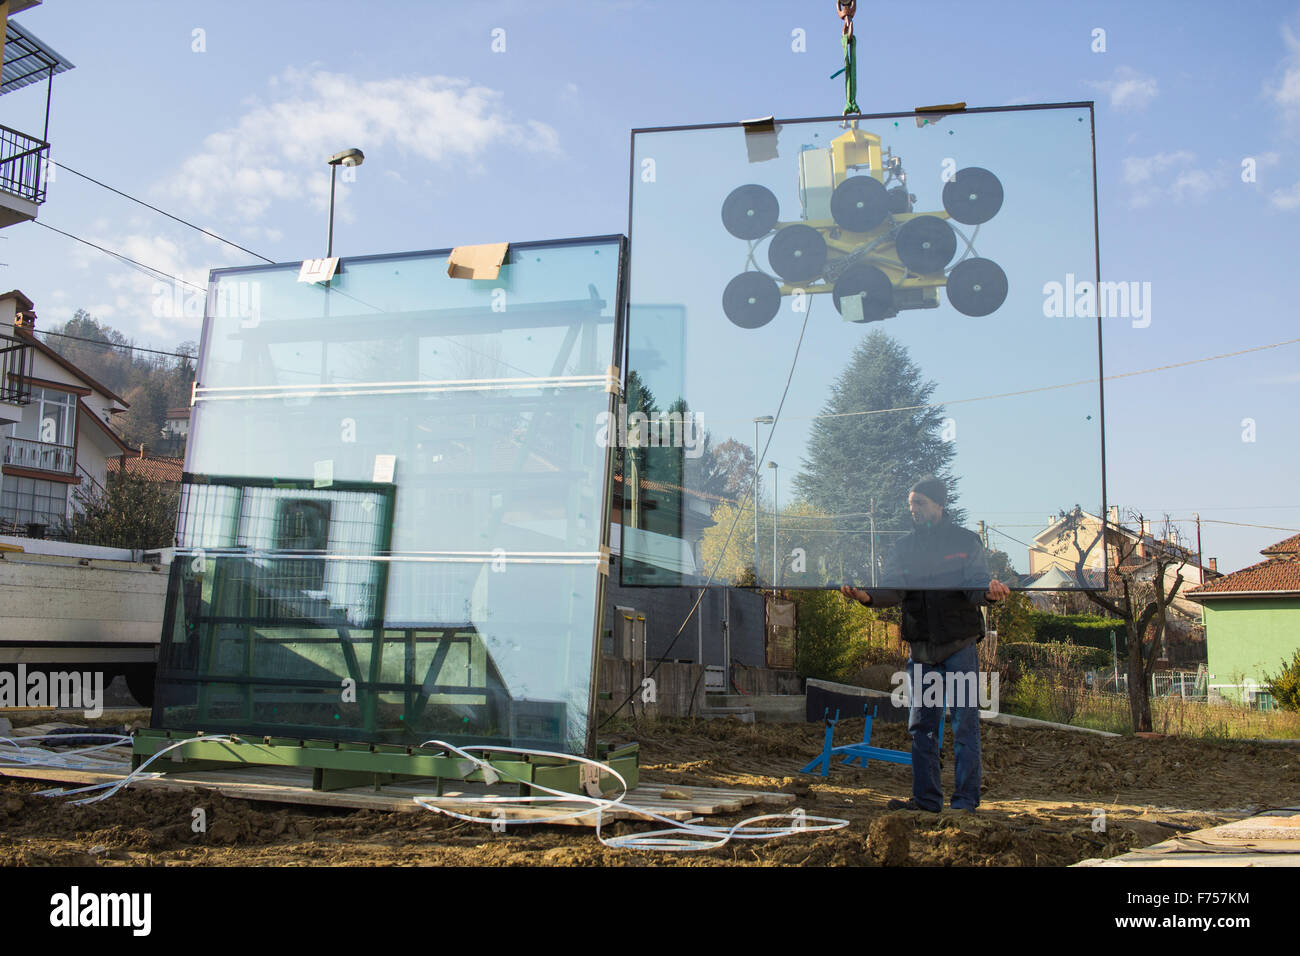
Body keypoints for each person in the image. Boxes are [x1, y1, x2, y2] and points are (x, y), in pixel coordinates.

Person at [840, 477, 1009, 813]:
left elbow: (975, 585)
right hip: (922, 652)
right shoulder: (904, 548)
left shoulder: (965, 541)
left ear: (938, 505)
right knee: (922, 727)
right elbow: (893, 588)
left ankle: (964, 803)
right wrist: (868, 596)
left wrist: (989, 593)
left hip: (959, 647)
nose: (913, 510)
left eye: (919, 503)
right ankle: (926, 800)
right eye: (911, 505)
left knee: (964, 725)